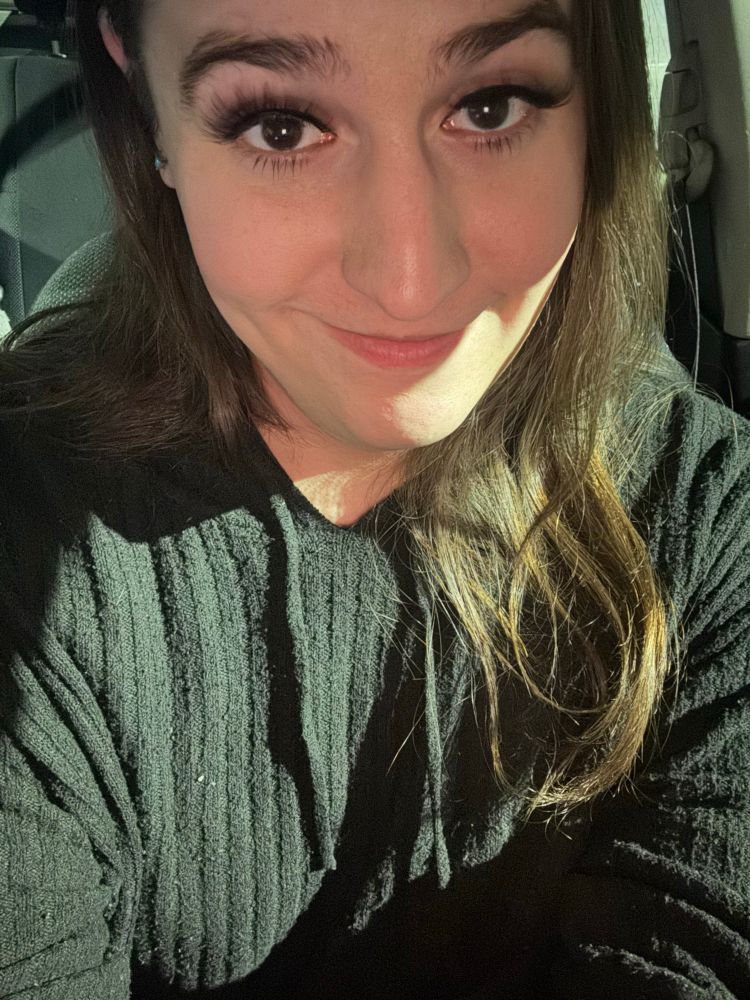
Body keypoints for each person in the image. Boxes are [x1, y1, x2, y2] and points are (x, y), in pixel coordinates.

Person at [0, 0, 748, 996]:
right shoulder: (25, 535)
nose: (409, 280)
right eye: (280, 127)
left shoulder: (710, 518)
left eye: (492, 105)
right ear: (143, 96)